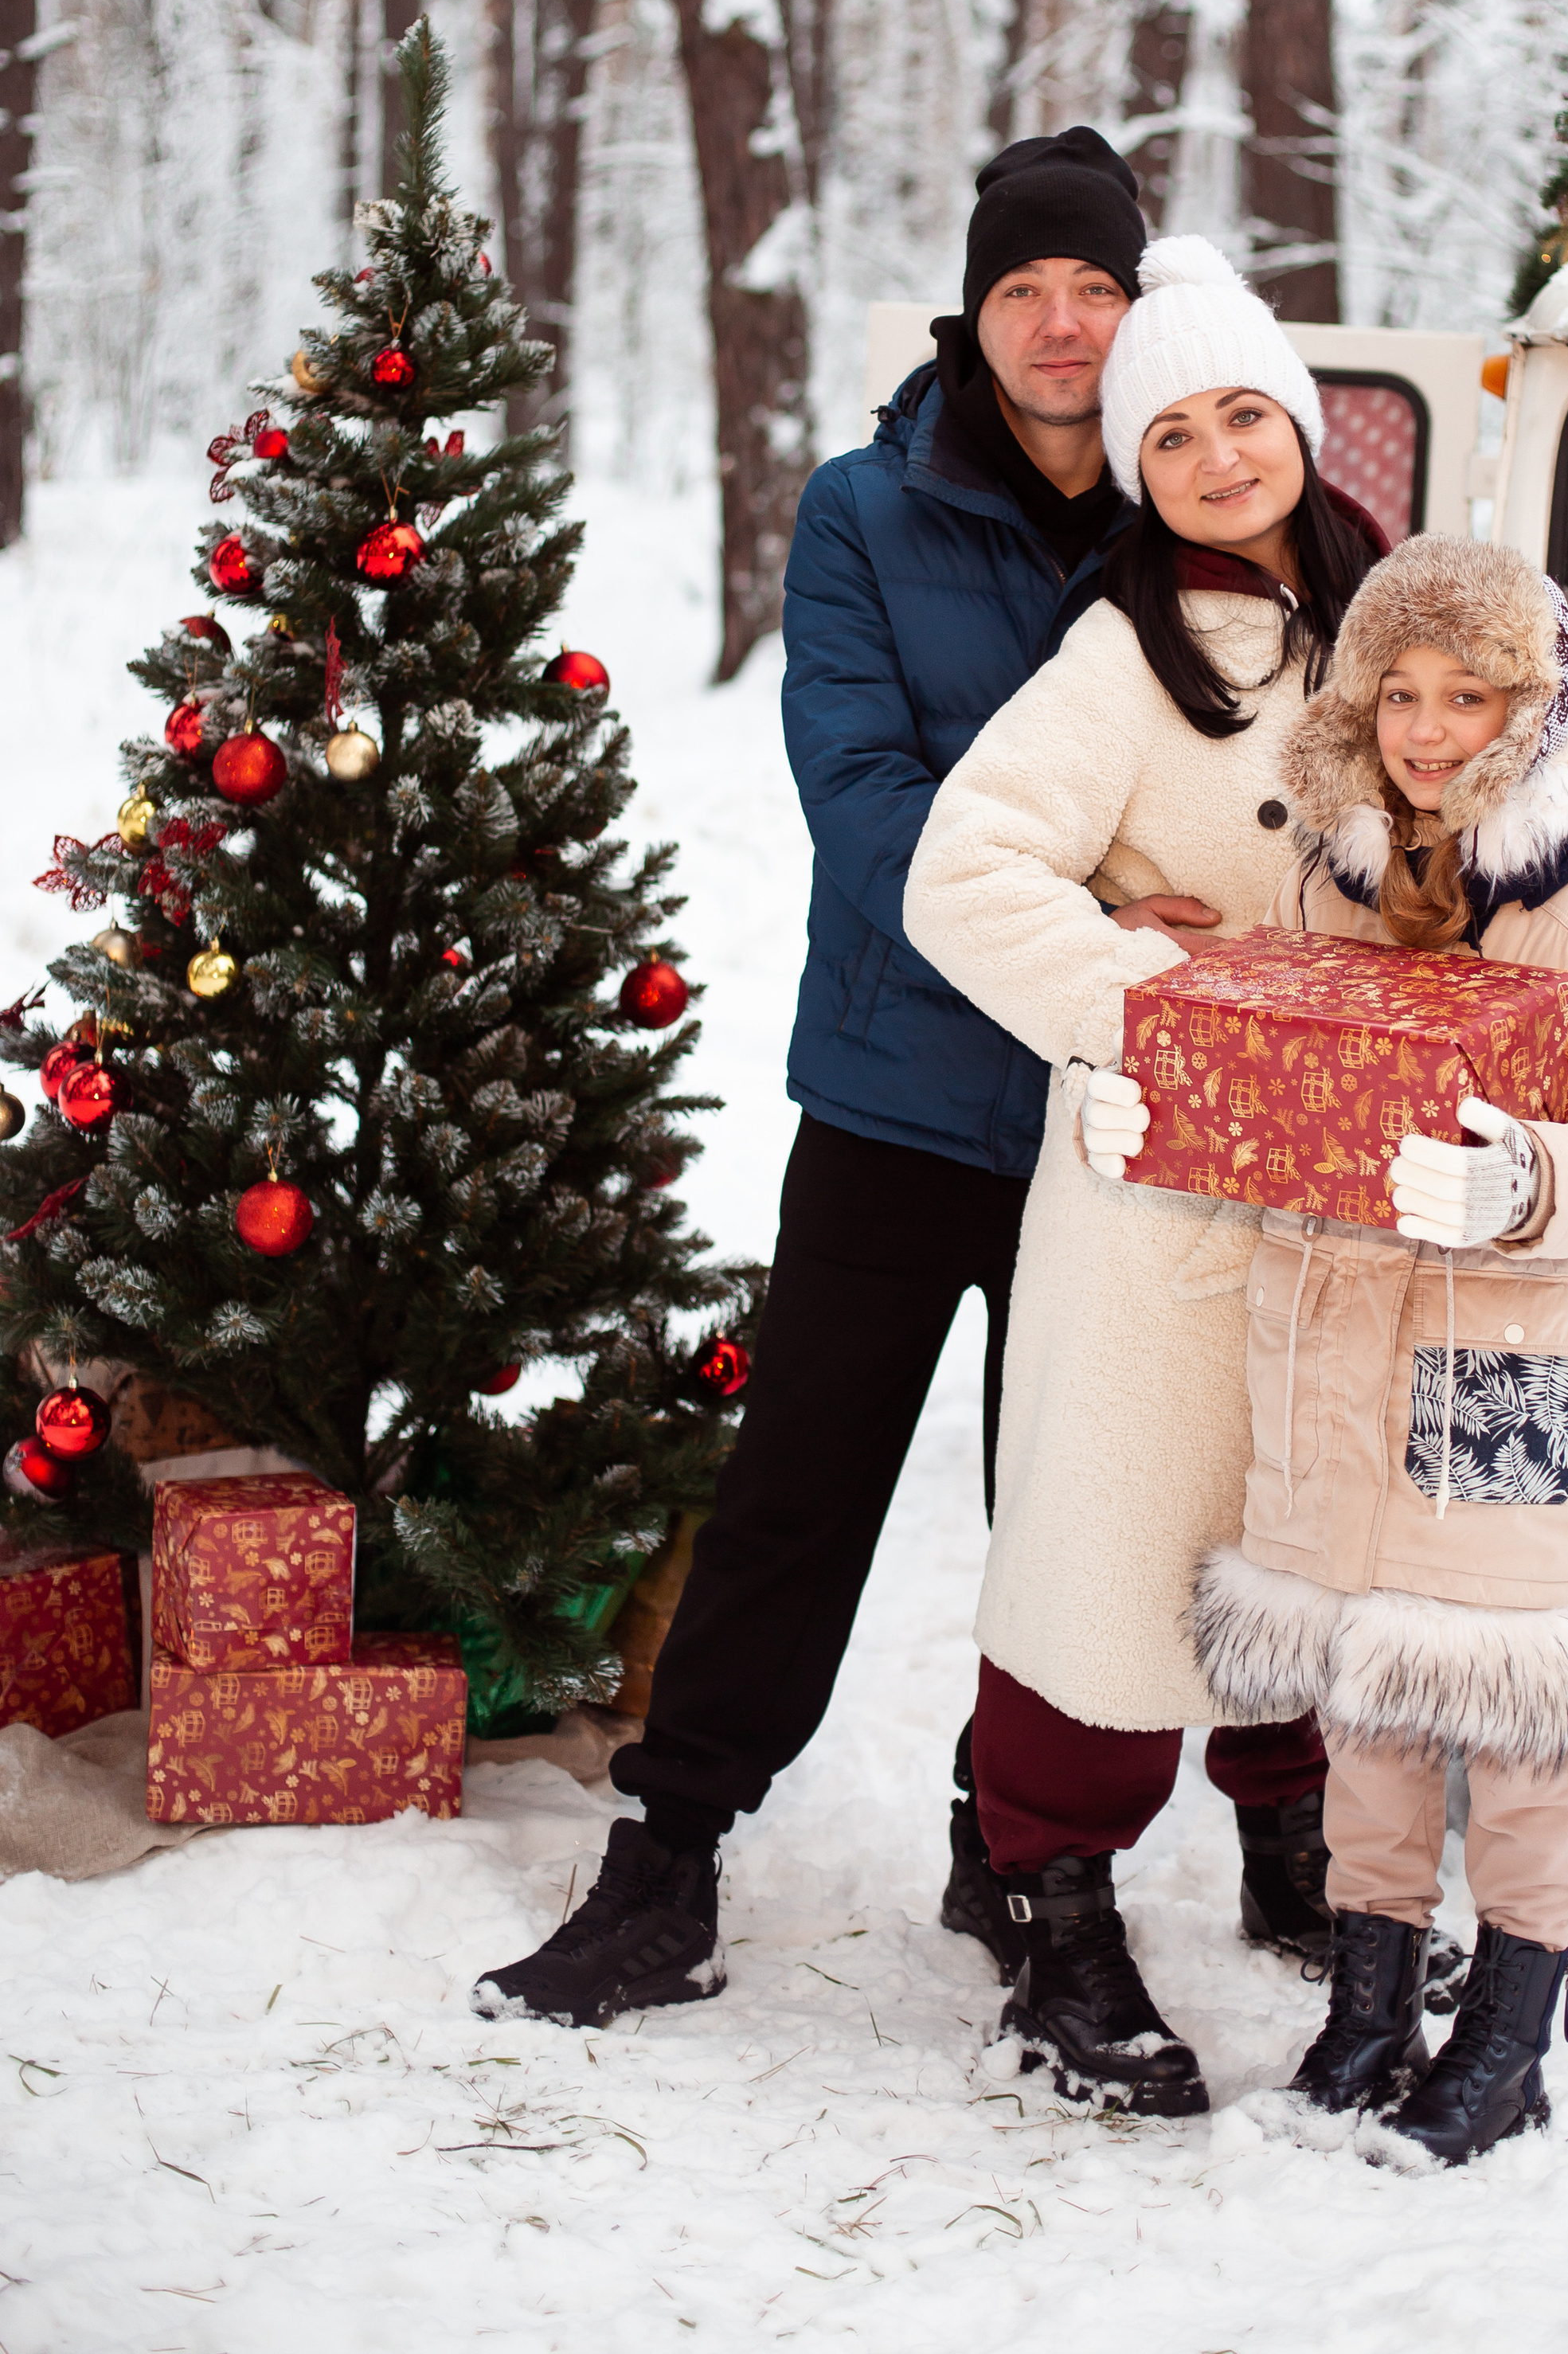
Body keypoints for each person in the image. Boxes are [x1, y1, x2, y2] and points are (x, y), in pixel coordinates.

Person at [473, 124, 1148, 2027]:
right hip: (895, 1088)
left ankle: (1019, 1857)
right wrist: (1105, 926)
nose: (1060, 325)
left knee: (1070, 1510)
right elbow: (859, 796)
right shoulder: (866, 508)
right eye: (1024, 289)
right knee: (797, 1488)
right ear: (972, 312)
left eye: (1095, 288)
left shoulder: (1186, 505)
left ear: (1139, 307)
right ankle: (665, 1862)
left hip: (1111, 1116)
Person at [901, 235, 1390, 2117]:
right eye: (1165, 434)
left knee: (1306, 1528)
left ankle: (1291, 1842)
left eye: (1240, 414)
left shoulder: (1388, 627)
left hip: (1350, 1188)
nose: (1212, 458)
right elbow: (960, 872)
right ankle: (1053, 1904)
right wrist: (1154, 995)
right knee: (1111, 1548)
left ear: (1303, 425)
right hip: (1161, 1190)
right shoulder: (1118, 651)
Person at [1179, 534, 1568, 2162]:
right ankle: (1369, 2002)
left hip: (1503, 1357)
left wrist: (1525, 1180)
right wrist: (1166, 1112)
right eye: (1395, 693)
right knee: (1371, 1701)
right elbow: (1270, 1090)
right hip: (1336, 1351)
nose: (1423, 730)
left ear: (1528, 710)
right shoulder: (1319, 878)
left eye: (1463, 696)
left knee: (1517, 1706)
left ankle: (1510, 2023)